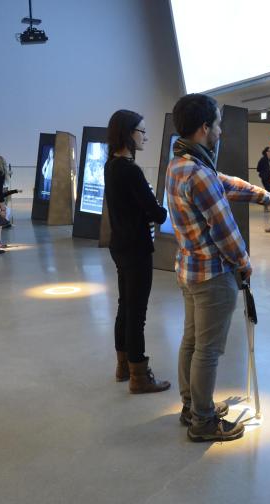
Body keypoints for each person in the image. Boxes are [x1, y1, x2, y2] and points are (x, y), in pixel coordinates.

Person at [167, 93, 270, 442]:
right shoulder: (198, 172)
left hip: (189, 271)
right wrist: (244, 262)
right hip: (212, 276)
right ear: (205, 128)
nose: (220, 131)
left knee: (191, 342)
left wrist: (264, 196)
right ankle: (203, 422)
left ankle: (192, 406)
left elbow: (225, 182)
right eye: (217, 125)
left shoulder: (181, 165)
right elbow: (224, 229)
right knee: (208, 350)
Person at [103, 109, 171, 394]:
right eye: (142, 131)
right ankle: (139, 376)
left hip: (120, 245)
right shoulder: (130, 170)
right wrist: (161, 209)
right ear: (129, 133)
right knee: (136, 313)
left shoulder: (111, 165)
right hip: (137, 248)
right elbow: (156, 213)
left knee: (125, 306)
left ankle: (123, 367)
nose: (145, 137)